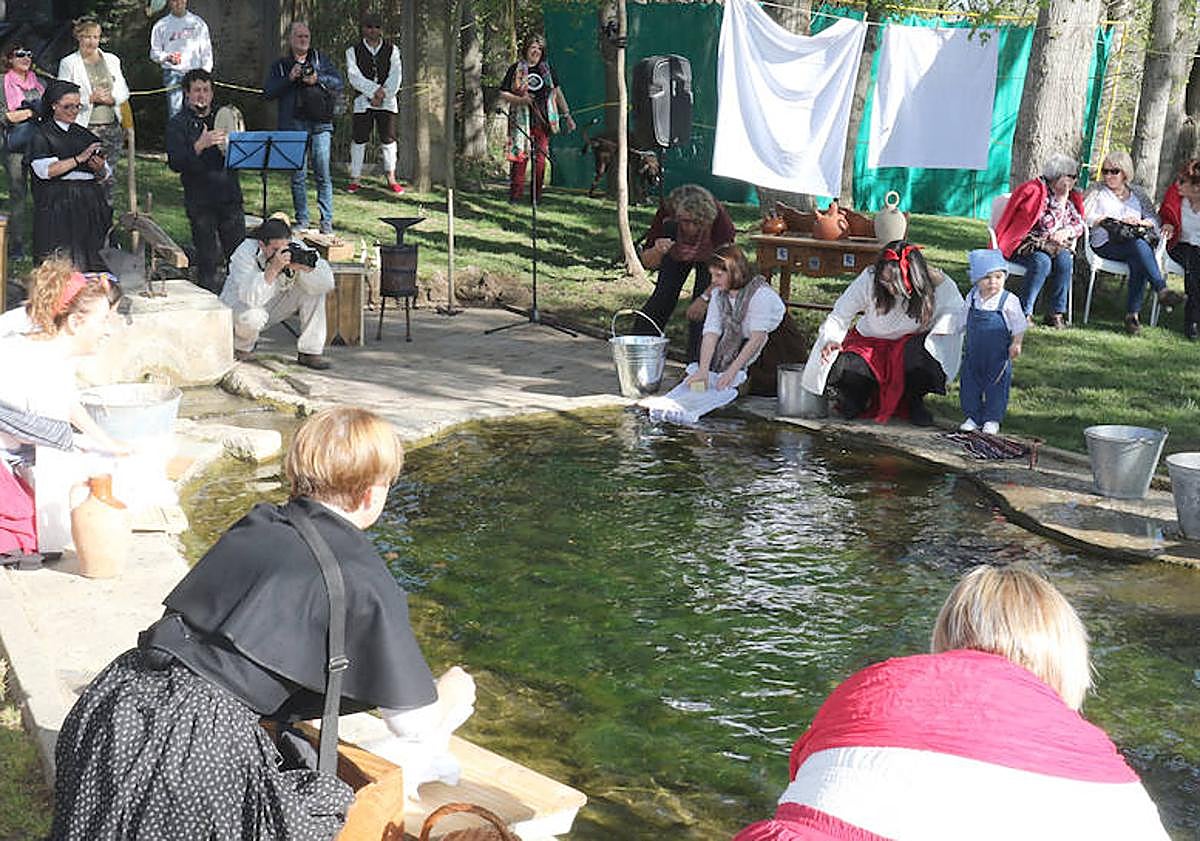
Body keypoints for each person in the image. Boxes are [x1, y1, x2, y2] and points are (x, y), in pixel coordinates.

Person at [50, 406, 478, 840]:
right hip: (197, 746)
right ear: (372, 494)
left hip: (118, 700)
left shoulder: (258, 523)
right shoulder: (364, 578)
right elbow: (411, 724)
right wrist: (452, 695)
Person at [733, 564, 1171, 841]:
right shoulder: (1103, 766)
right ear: (1065, 652)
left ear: (946, 633)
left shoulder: (873, 683)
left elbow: (801, 772)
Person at [0, 258, 126, 555]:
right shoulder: (39, 363)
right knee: (33, 536)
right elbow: (54, 441)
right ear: (74, 322)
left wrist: (107, 442)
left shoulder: (49, 348)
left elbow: (68, 403)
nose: (109, 330)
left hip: (14, 452)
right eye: (104, 321)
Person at [800, 241, 964, 426]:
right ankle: (857, 396)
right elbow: (840, 314)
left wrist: (938, 330)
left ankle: (913, 400)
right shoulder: (869, 279)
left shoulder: (938, 285)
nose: (889, 287)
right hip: (869, 347)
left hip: (906, 350)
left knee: (925, 355)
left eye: (895, 282)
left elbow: (956, 312)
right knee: (838, 366)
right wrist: (831, 338)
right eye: (884, 281)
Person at [1084, 150, 1183, 335]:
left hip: (1132, 240)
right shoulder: (1096, 190)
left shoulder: (1137, 192)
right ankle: (1160, 291)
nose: (1108, 176)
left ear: (1125, 173)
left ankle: (1133, 317)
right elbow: (1084, 215)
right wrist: (1108, 219)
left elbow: (1154, 220)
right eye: (1105, 171)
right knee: (1140, 249)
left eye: (1114, 171)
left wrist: (1140, 222)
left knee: (1138, 256)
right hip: (1105, 243)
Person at [636, 184, 737, 361]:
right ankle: (638, 351)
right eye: (685, 221)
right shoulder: (667, 213)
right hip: (675, 249)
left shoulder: (721, 224)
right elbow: (647, 261)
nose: (690, 228)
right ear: (676, 216)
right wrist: (658, 251)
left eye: (696, 223)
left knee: (705, 309)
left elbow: (725, 269)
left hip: (711, 254)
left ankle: (698, 365)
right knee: (663, 296)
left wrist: (704, 298)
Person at [166, 68, 245, 294]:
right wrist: (199, 145)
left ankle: (239, 306)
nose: (202, 95)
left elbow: (239, 152)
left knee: (239, 259)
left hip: (229, 197)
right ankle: (209, 308)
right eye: (197, 90)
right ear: (187, 94)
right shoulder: (177, 124)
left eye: (206, 90)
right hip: (201, 202)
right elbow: (175, 162)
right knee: (208, 260)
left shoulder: (223, 116)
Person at [221, 216, 335, 369]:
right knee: (254, 316)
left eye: (284, 248)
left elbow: (327, 284)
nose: (281, 254)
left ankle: (310, 351)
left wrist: (306, 268)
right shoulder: (245, 252)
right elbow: (249, 298)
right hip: (239, 309)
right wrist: (273, 269)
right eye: (275, 250)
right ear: (262, 244)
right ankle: (241, 348)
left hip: (273, 303)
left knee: (314, 290)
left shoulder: (296, 247)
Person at [264, 21, 344, 235]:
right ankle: (302, 219)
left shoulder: (319, 60)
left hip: (320, 123)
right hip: (294, 124)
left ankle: (326, 221)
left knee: (322, 173)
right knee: (298, 176)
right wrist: (289, 79)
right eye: (299, 36)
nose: (303, 40)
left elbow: (338, 82)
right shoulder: (281, 65)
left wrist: (318, 78)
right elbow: (269, 92)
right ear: (291, 40)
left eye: (306, 36)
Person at [992, 153, 1085, 328]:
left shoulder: (1070, 198)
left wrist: (1067, 230)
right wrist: (1062, 199)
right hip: (1025, 245)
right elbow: (1043, 224)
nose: (1075, 181)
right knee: (1042, 262)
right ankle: (1024, 312)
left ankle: (1055, 313)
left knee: (1064, 260)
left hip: (1051, 247)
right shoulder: (1035, 191)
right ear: (1058, 177)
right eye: (1071, 177)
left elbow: (1080, 223)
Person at [27, 79, 112, 272]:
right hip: (59, 200)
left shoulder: (84, 134)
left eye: (77, 106)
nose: (73, 111)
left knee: (92, 254)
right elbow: (45, 171)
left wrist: (99, 168)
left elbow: (105, 172)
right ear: (54, 105)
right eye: (68, 106)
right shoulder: (42, 134)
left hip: (90, 200)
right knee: (62, 257)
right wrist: (78, 159)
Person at [684, 243, 786, 391]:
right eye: (712, 275)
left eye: (719, 275)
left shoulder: (760, 295)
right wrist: (703, 370)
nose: (713, 281)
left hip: (771, 348)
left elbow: (757, 339)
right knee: (696, 381)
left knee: (744, 387)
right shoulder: (719, 295)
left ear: (735, 272)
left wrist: (731, 372)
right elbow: (711, 332)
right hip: (739, 344)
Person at [56, 19, 129, 204]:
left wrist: (112, 99)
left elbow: (123, 90)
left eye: (95, 37)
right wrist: (89, 99)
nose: (92, 41)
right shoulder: (69, 63)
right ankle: (83, 223)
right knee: (85, 176)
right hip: (84, 127)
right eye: (87, 37)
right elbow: (62, 94)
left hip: (111, 128)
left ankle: (106, 224)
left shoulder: (112, 60)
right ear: (78, 37)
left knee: (108, 178)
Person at [954, 248, 1026, 435]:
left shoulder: (1008, 300)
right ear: (976, 279)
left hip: (998, 354)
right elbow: (963, 317)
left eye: (998, 277)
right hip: (974, 351)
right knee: (970, 383)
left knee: (996, 385)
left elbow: (1019, 323)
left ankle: (992, 419)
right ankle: (972, 416)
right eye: (987, 278)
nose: (993, 282)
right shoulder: (972, 297)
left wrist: (1016, 343)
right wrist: (954, 330)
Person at [499, 34, 576, 203]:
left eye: (539, 48)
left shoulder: (547, 70)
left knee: (540, 160)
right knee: (520, 158)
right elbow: (503, 93)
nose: (536, 51)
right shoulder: (515, 69)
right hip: (521, 121)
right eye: (533, 47)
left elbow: (557, 93)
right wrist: (521, 100)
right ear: (526, 49)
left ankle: (536, 197)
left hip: (543, 121)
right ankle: (515, 197)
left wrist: (567, 116)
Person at [344, 13, 403, 195]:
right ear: (363, 29)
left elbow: (396, 75)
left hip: (387, 101)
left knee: (389, 139)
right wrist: (372, 92)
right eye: (369, 26)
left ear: (381, 29)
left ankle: (391, 177)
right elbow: (354, 76)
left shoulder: (393, 50)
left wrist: (383, 93)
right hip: (363, 101)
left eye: (376, 27)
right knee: (359, 138)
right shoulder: (352, 51)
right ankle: (355, 177)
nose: (373, 30)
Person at [3, 43, 44, 261]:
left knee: (43, 194)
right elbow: (6, 116)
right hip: (15, 148)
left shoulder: (38, 83)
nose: (26, 57)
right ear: (9, 59)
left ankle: (42, 242)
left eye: (28, 53)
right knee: (18, 195)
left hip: (40, 146)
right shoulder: (4, 82)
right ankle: (16, 246)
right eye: (20, 54)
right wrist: (31, 111)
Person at [1157, 158, 1200, 340]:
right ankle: (1193, 322)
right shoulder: (1174, 197)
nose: (1177, 184)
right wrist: (1167, 223)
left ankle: (1192, 320)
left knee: (1194, 265)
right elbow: (1162, 216)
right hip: (1178, 246)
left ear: (1197, 187)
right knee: (1193, 260)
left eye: (1183, 181)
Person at [148, 0, 213, 120]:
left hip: (196, 74)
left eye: (181, 0)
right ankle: (177, 138)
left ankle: (199, 137)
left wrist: (205, 74)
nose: (178, 3)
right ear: (169, 2)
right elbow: (154, 53)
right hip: (173, 74)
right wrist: (167, 57)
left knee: (198, 111)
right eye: (174, 1)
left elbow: (206, 51)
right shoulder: (161, 25)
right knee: (175, 112)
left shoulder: (198, 23)